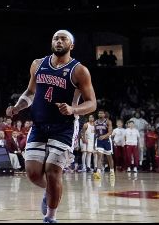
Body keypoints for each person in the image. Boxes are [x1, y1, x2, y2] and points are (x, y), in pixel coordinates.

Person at [7, 30, 97, 224]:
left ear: (71, 45)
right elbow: (30, 93)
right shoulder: (37, 64)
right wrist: (17, 106)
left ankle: (50, 217)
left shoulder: (79, 70)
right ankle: (51, 191)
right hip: (39, 125)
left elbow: (92, 103)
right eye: (56, 38)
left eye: (63, 38)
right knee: (32, 173)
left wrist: (73, 109)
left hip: (63, 127)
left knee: (53, 171)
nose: (58, 41)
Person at [93, 110, 115, 184]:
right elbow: (95, 133)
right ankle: (98, 172)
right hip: (99, 141)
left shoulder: (108, 122)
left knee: (109, 157)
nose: (100, 114)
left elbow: (110, 132)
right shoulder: (95, 122)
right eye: (99, 113)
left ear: (104, 114)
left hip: (107, 141)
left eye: (102, 113)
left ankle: (112, 171)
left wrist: (104, 136)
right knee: (99, 156)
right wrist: (94, 142)